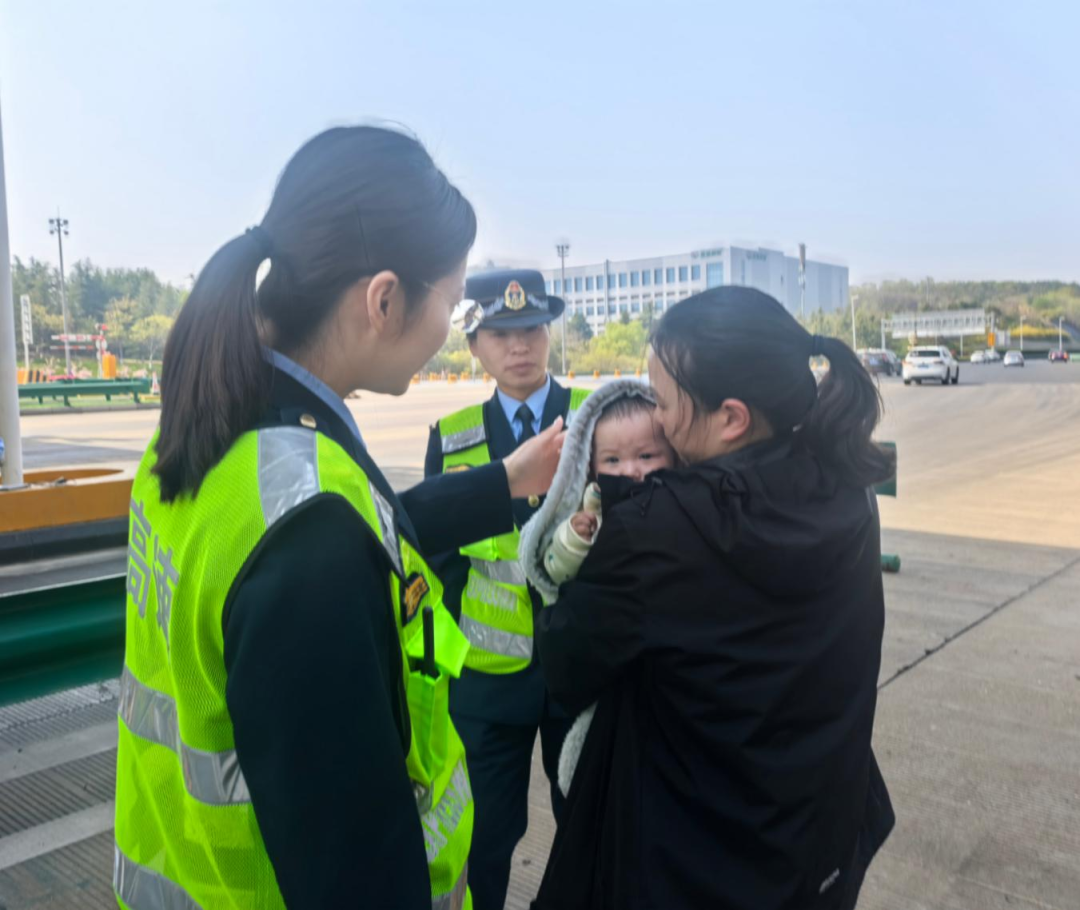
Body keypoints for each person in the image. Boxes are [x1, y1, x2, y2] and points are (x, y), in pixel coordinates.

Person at [113, 125, 565, 910]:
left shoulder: (206, 434)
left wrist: (505, 482)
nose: (447, 333)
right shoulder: (310, 536)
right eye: (451, 303)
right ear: (384, 301)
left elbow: (360, 531)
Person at [533, 286, 897, 910]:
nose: (658, 420)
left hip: (688, 860)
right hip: (816, 842)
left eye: (664, 402)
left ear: (731, 418)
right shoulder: (847, 487)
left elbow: (566, 666)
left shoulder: (657, 526)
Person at [423, 269, 588, 910]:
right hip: (487, 686)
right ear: (473, 345)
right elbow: (439, 568)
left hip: (584, 671)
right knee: (484, 838)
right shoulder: (453, 436)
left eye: (531, 329)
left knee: (590, 828)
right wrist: (447, 670)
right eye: (500, 333)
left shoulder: (598, 417)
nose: (519, 345)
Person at [516, 381, 677, 799]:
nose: (631, 470)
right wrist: (574, 538)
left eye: (647, 455)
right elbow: (554, 567)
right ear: (589, 466)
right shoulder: (592, 506)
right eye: (613, 460)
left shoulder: (678, 504)